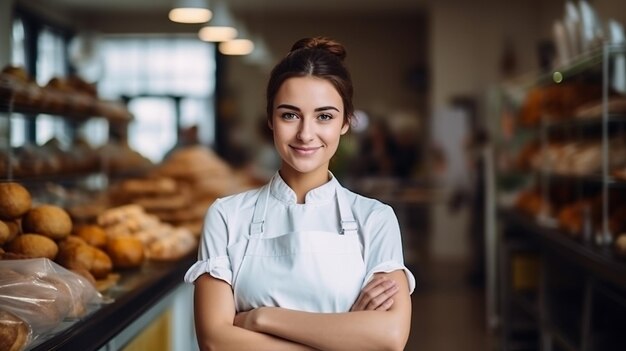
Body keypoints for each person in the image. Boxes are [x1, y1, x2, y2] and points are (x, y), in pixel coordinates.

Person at [184, 36, 415, 351]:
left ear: (345, 122)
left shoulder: (374, 219)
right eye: (290, 115)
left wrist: (261, 318)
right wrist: (344, 339)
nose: (306, 134)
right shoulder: (227, 216)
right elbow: (215, 341)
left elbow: (389, 337)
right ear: (270, 120)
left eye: (324, 116)